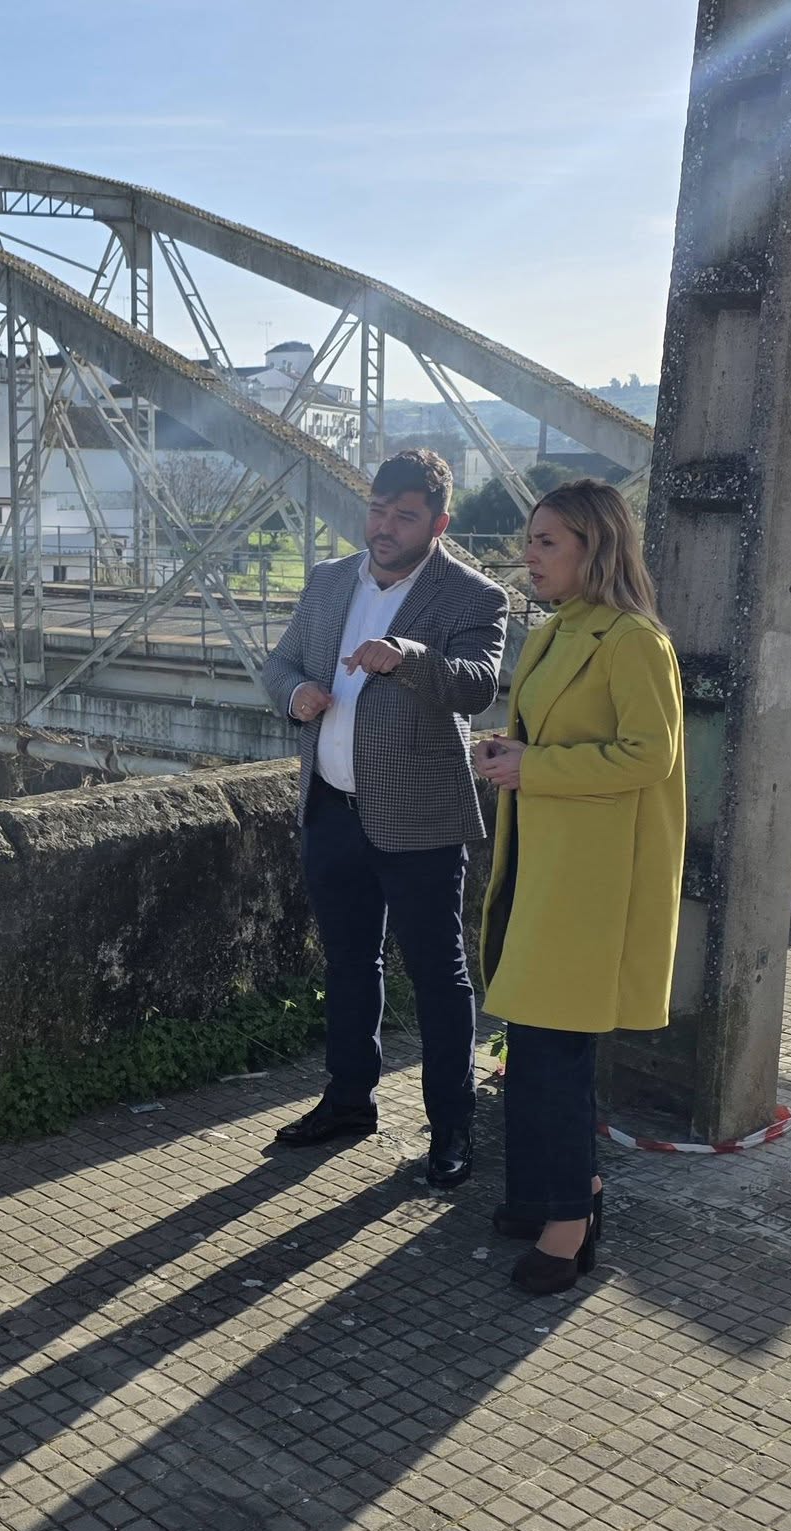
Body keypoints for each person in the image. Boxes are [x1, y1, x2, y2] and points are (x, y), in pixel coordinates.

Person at [260, 448, 510, 1187]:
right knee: (348, 962)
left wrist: (407, 656)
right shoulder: (328, 580)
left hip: (420, 817)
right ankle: (348, 1102)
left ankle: (452, 1127)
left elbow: (476, 687)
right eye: (377, 510)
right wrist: (296, 695)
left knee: (438, 975)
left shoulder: (474, 596)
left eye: (405, 516)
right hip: (331, 806)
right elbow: (279, 665)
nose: (385, 527)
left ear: (438, 523)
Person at [473, 478, 685, 1295]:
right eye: (531, 539)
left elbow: (650, 754)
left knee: (556, 1055)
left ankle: (570, 1224)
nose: (529, 554)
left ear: (594, 548)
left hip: (592, 881)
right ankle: (547, 1193)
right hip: (542, 863)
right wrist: (510, 751)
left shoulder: (633, 640)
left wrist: (536, 767)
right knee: (530, 1049)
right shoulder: (557, 629)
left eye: (547, 542)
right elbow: (554, 735)